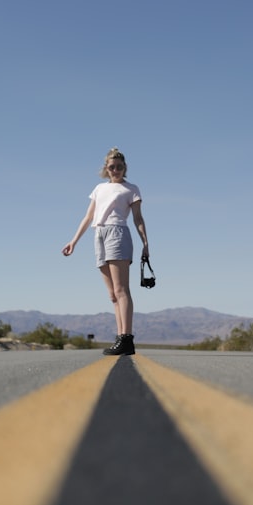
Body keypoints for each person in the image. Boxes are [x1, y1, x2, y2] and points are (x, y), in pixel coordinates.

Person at [62, 147, 149, 356]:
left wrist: (146, 244)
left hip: (118, 233)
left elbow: (138, 218)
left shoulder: (131, 189)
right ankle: (120, 338)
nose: (116, 170)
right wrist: (73, 241)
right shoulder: (99, 189)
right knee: (112, 295)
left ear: (125, 168)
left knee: (121, 290)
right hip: (98, 235)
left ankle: (127, 339)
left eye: (119, 167)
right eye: (112, 167)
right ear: (106, 169)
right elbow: (88, 217)